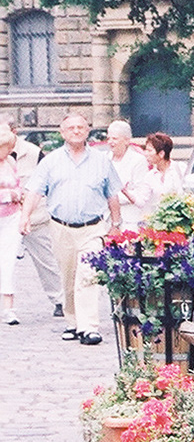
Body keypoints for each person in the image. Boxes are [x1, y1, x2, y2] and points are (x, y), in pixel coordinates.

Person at [20, 112, 121, 345]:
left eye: (81, 127)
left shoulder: (101, 161)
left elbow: (112, 194)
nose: (76, 131)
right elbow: (34, 191)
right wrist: (25, 217)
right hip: (60, 228)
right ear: (62, 133)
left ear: (87, 131)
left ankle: (89, 327)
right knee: (68, 277)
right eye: (71, 128)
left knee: (88, 275)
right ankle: (73, 322)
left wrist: (115, 224)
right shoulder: (50, 161)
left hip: (93, 228)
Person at [12, 133, 64, 317]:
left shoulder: (34, 153)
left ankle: (60, 300)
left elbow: (49, 182)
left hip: (35, 216)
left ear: (13, 131)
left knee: (47, 260)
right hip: (5, 216)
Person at [106, 120, 151, 224]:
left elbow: (140, 192)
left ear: (126, 140)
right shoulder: (104, 159)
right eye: (109, 138)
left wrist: (113, 197)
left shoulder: (138, 160)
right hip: (106, 217)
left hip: (129, 218)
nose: (110, 142)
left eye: (115, 138)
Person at [0, 125, 22, 325]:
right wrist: (10, 195)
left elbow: (19, 186)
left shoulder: (11, 162)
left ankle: (9, 307)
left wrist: (17, 195)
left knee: (8, 262)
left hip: (11, 218)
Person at [142, 132, 184, 217]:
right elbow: (142, 200)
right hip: (159, 221)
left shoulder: (180, 169)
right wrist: (125, 192)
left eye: (149, 150)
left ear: (161, 153)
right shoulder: (149, 176)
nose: (146, 154)